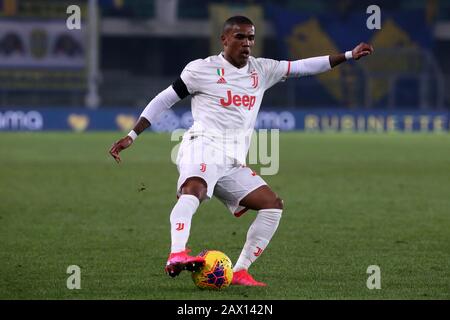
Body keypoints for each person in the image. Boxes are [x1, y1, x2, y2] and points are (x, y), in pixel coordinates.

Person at [109, 16, 374, 286]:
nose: (246, 43)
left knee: (272, 205)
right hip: (202, 145)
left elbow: (303, 66)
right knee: (195, 190)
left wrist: (349, 55)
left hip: (232, 161)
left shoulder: (262, 70)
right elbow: (165, 98)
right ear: (224, 40)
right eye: (239, 37)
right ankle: (177, 253)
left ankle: (239, 271)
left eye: (250, 37)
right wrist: (132, 134)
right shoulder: (201, 69)